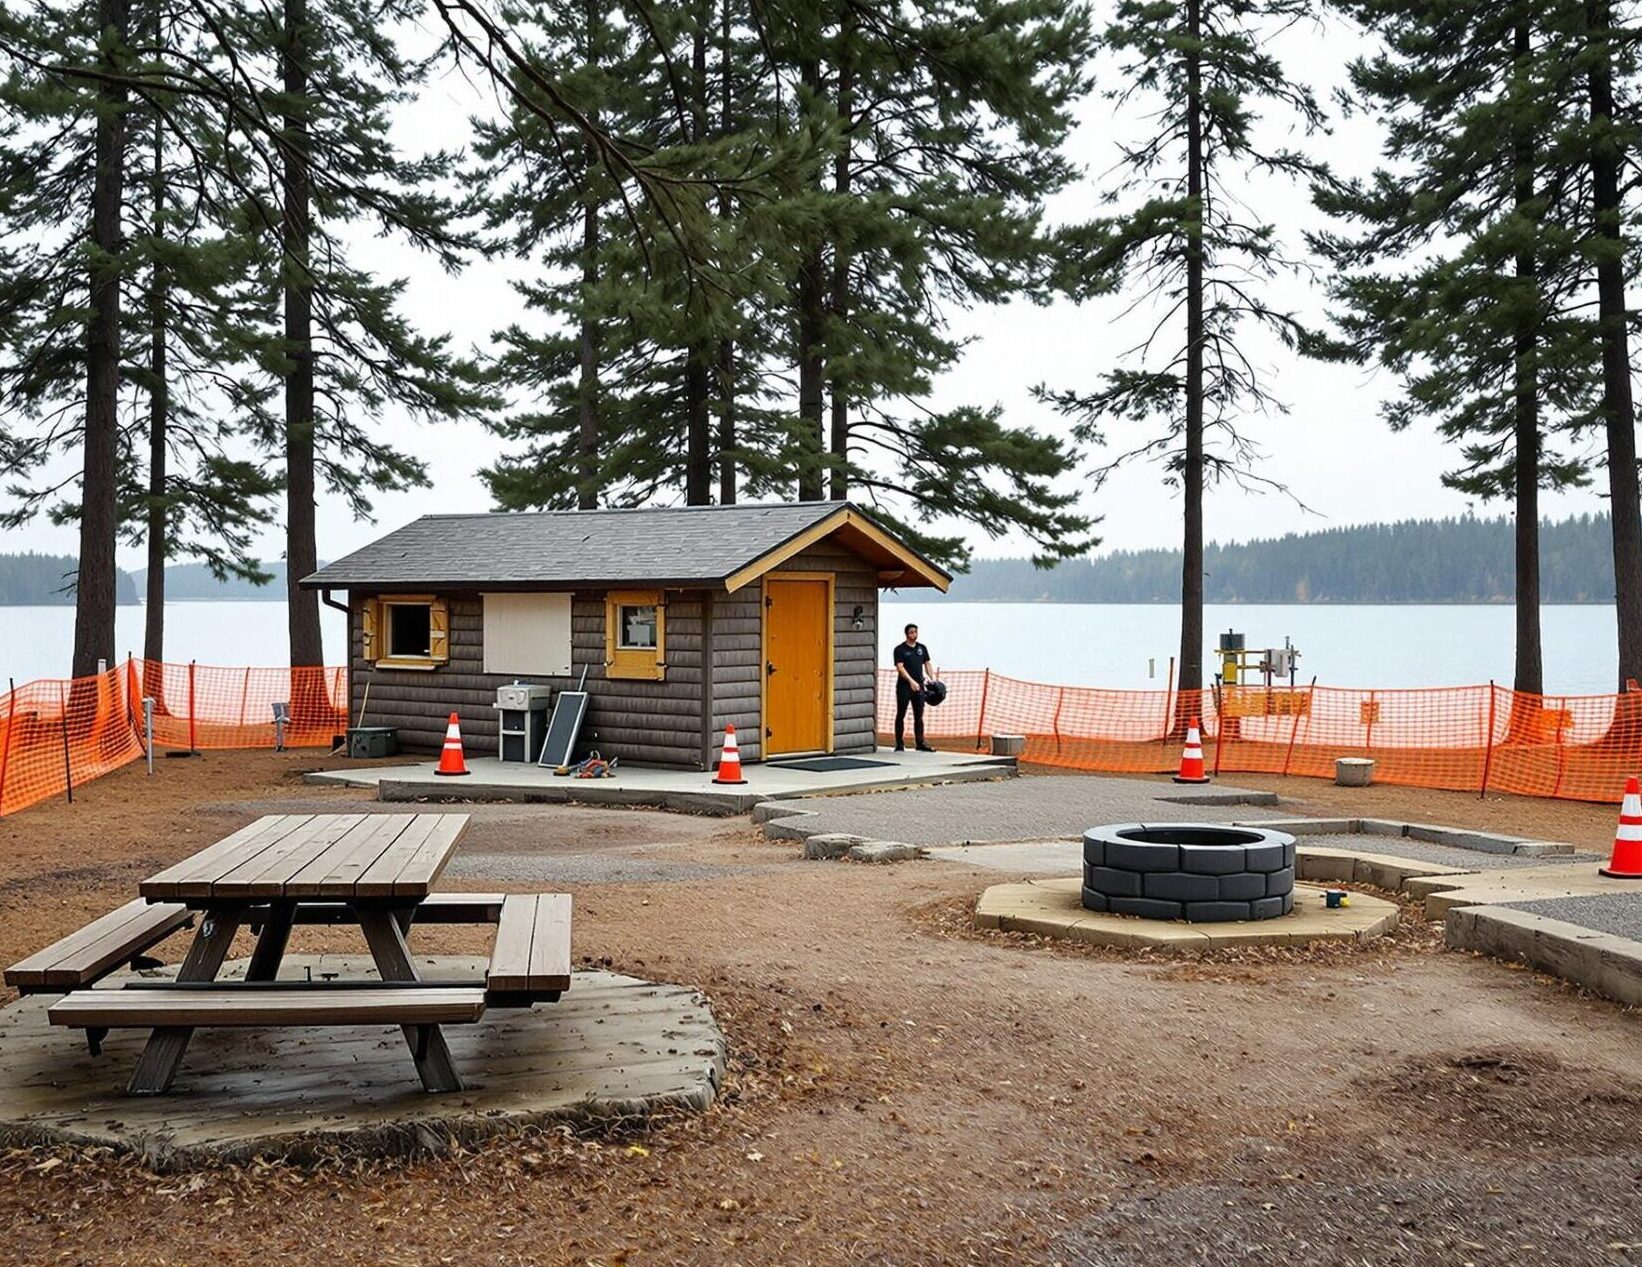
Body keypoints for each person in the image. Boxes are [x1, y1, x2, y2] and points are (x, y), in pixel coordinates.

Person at [892, 623, 938, 752]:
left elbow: (927, 663)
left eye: (915, 632)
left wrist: (931, 678)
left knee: (919, 715)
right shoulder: (900, 649)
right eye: (911, 632)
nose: (914, 635)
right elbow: (900, 667)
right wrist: (911, 681)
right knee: (901, 713)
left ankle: (920, 742)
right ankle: (899, 744)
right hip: (904, 686)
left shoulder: (922, 648)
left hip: (919, 686)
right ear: (906, 634)